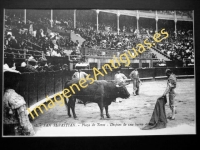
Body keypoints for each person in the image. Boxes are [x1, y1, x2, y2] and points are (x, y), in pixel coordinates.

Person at [3, 66, 35, 136]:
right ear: (16, 83)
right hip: (14, 133)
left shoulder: (4, 95)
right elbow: (24, 124)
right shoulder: (17, 98)